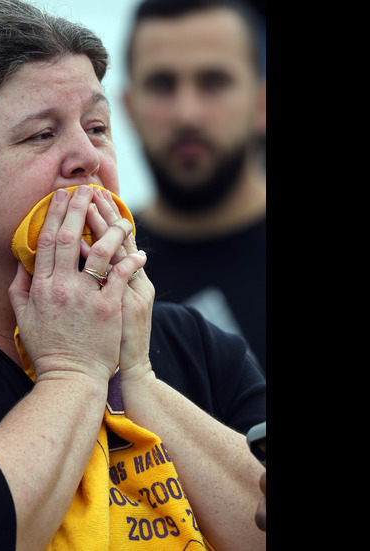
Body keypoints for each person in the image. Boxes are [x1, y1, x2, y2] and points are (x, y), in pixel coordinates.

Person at [0, 1, 265, 549]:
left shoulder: (191, 341)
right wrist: (74, 372)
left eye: (96, 127)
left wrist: (135, 378)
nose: (86, 157)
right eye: (41, 135)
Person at [123, 0, 267, 374]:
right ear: (127, 108)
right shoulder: (100, 268)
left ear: (262, 103)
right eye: (161, 85)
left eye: (213, 82)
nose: (187, 113)